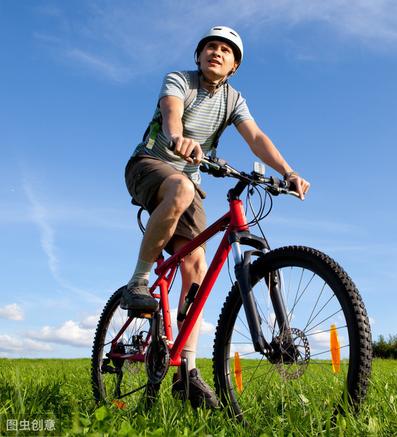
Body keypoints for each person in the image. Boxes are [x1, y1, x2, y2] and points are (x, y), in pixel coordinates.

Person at [121, 26, 310, 409]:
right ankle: (139, 281)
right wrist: (178, 138)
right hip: (150, 164)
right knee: (183, 189)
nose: (216, 52)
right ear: (199, 55)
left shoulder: (233, 99)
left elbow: (255, 137)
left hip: (188, 177)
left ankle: (186, 372)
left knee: (196, 263)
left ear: (234, 65)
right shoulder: (180, 80)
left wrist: (288, 172)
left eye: (226, 50)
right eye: (210, 46)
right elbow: (171, 113)